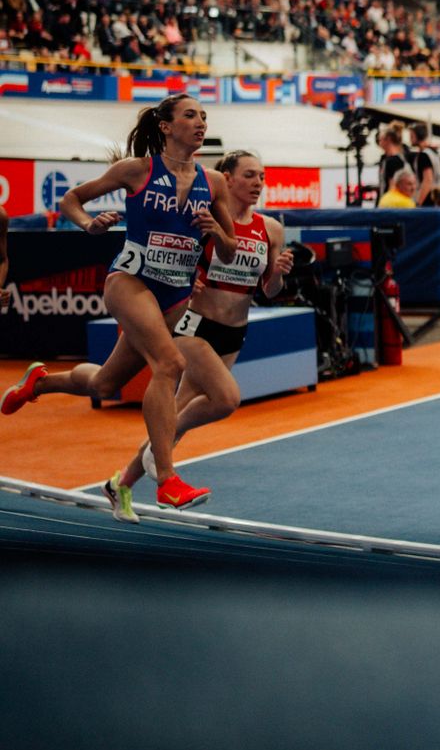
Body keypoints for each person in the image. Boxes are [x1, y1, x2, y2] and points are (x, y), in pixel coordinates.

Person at [2, 95, 238, 519]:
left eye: (204, 117)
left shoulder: (214, 181)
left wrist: (215, 230)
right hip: (130, 280)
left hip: (174, 294)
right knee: (169, 363)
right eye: (190, 116)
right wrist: (87, 224)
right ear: (165, 126)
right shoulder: (138, 170)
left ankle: (38, 383)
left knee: (105, 385)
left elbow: (230, 249)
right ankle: (166, 480)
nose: (200, 122)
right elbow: (72, 198)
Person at [109, 150, 293, 509]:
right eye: (250, 175)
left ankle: (121, 482)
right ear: (227, 178)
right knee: (225, 399)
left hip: (233, 333)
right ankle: (163, 454)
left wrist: (280, 274)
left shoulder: (271, 229)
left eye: (262, 177)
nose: (258, 183)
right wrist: (183, 283)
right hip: (194, 324)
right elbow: (171, 256)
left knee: (175, 415)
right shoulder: (205, 220)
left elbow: (269, 291)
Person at [407, 121, 440, 191]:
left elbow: (428, 181)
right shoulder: (433, 152)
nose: (410, 139)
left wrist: (419, 201)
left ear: (419, 135)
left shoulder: (424, 155)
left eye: (411, 136)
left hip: (431, 195)